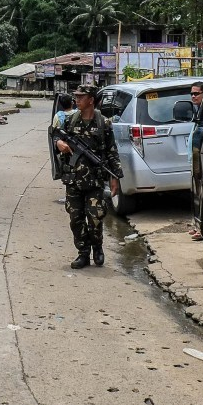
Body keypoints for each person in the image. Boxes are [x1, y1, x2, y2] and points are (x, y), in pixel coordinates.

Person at [52, 84, 124, 269]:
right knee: (75, 218)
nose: (76, 100)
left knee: (95, 218)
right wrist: (59, 142)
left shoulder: (104, 123)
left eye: (81, 97)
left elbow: (112, 152)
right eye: (75, 96)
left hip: (95, 180)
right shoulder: (69, 120)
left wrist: (115, 177)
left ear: (91, 100)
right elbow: (55, 136)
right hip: (73, 179)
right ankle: (83, 254)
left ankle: (97, 248)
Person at [186, 81, 203, 240]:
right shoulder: (198, 110)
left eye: (196, 93)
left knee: (202, 193)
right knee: (196, 194)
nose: (193, 96)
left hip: (201, 159)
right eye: (191, 93)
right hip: (194, 158)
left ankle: (202, 229)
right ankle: (197, 225)